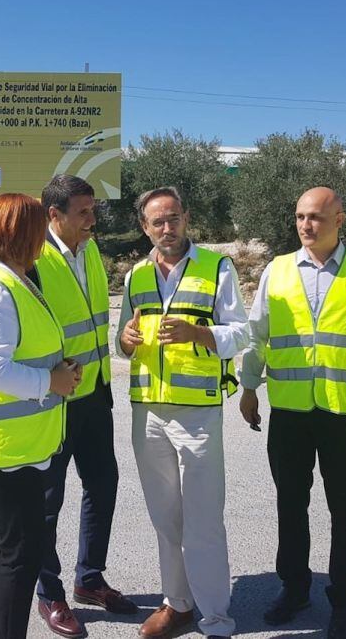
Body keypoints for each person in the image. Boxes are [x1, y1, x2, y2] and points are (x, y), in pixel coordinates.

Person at [240, 187, 346, 639]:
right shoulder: (278, 270)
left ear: (340, 220)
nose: (307, 225)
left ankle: (344, 599)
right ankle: (294, 587)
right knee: (291, 504)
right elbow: (257, 333)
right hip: (289, 410)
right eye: (301, 217)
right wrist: (248, 386)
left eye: (318, 218)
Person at [116, 186, 249, 639]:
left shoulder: (217, 267)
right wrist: (125, 344)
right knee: (165, 516)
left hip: (197, 414)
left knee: (203, 518)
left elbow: (241, 335)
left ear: (186, 218)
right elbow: (122, 342)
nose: (167, 228)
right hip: (148, 412)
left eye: (173, 218)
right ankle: (178, 604)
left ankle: (216, 618)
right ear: (144, 227)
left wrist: (199, 332)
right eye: (158, 222)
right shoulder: (135, 275)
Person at [0, 193, 83, 639]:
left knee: (12, 551)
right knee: (20, 555)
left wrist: (59, 372)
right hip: (5, 452)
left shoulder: (14, 279)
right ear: (21, 233)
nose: (44, 242)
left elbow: (25, 351)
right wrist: (50, 383)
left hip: (17, 448)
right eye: (38, 231)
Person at [29, 175, 137, 638]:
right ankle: (48, 592)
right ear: (54, 215)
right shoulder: (33, 258)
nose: (93, 220)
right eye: (83, 212)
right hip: (55, 401)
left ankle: (89, 579)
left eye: (94, 210)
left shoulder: (90, 249)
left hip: (94, 393)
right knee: (47, 501)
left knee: (103, 485)